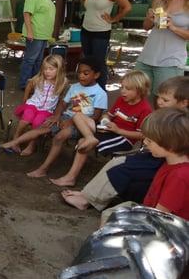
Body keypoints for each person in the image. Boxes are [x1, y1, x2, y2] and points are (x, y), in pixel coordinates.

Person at [61, 76, 189, 210]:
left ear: (183, 103)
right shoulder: (166, 115)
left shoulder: (180, 123)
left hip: (165, 160)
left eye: (165, 100)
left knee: (121, 170)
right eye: (159, 98)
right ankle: (86, 195)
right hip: (154, 154)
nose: (159, 102)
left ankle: (88, 200)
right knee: (118, 161)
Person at [51, 70, 152, 187]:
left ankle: (70, 177)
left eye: (128, 89)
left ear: (140, 90)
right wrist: (105, 119)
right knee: (77, 114)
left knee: (82, 142)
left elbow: (142, 135)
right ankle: (89, 138)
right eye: (122, 87)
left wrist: (118, 130)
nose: (122, 91)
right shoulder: (121, 100)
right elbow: (109, 114)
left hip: (123, 138)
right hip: (109, 130)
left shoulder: (145, 109)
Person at [10, 57, 107, 178]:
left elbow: (95, 117)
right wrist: (56, 116)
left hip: (82, 125)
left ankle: (43, 169)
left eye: (85, 73)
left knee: (59, 137)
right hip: (66, 117)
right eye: (79, 73)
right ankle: (15, 142)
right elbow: (63, 104)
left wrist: (71, 122)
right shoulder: (75, 87)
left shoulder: (100, 93)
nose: (81, 76)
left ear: (96, 74)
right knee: (43, 127)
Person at [136, 0, 189, 100]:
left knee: (163, 103)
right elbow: (146, 27)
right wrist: (149, 18)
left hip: (170, 61)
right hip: (147, 56)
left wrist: (173, 27)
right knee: (136, 97)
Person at [2, 54, 67, 156]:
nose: (47, 72)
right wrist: (25, 100)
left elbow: (63, 98)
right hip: (32, 104)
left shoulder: (63, 82)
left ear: (59, 69)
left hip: (47, 110)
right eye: (45, 69)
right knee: (26, 119)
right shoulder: (39, 78)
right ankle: (16, 138)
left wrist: (58, 112)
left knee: (38, 123)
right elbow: (29, 85)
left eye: (51, 69)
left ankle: (31, 145)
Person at [81, 0, 132, 89]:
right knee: (87, 61)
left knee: (98, 62)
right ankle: (88, 88)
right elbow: (83, 2)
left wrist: (114, 19)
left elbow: (127, 7)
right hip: (86, 29)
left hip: (101, 31)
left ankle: (101, 90)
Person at [18, 0, 56, 89]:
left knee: (39, 62)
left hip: (43, 35)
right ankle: (25, 84)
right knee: (30, 60)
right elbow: (27, 13)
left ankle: (34, 84)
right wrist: (29, 31)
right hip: (35, 34)